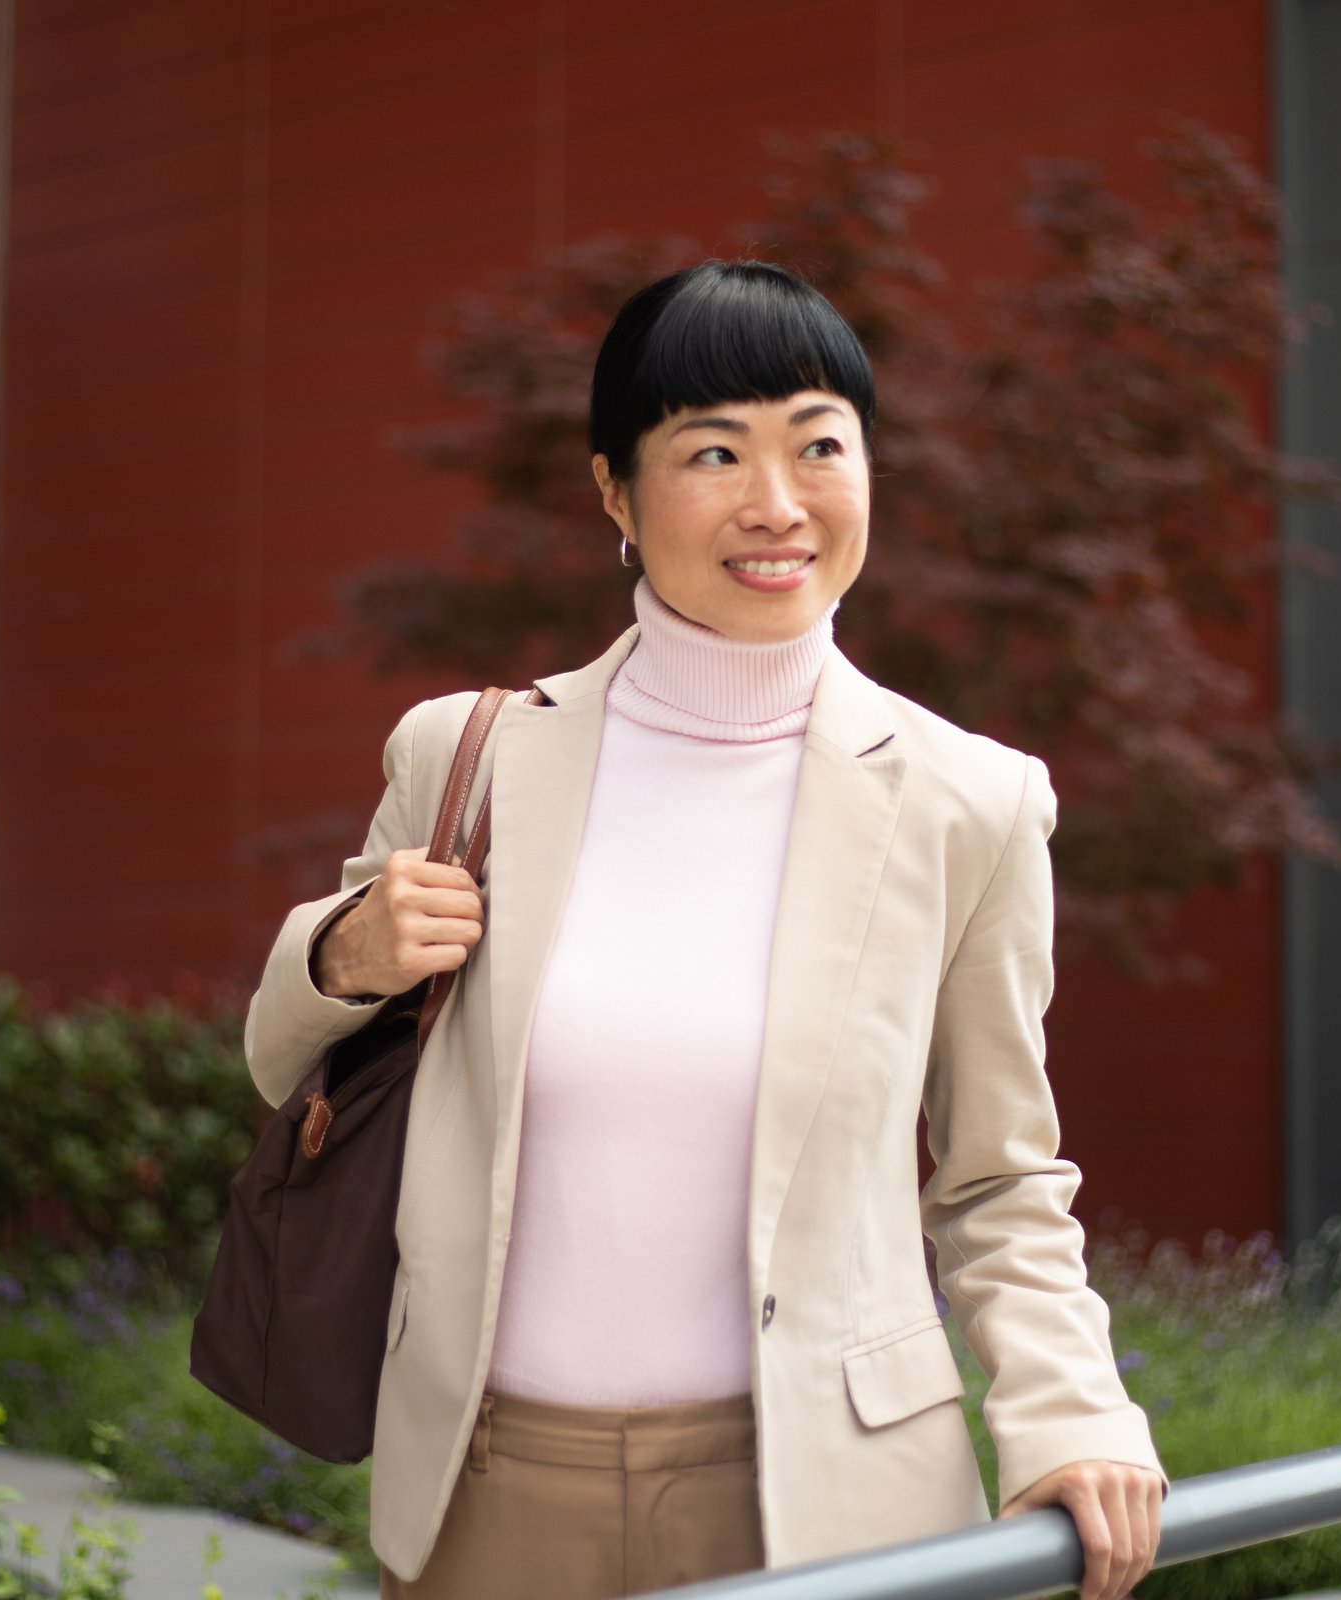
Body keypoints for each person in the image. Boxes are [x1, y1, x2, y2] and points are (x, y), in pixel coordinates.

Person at [243, 259, 1167, 1600]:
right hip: (488, 1497)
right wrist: (347, 956)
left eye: (819, 445)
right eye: (715, 452)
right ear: (615, 491)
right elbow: (289, 1072)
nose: (776, 504)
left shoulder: (973, 802)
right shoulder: (472, 760)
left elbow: (996, 1178)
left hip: (831, 1508)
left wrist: (1074, 1413)